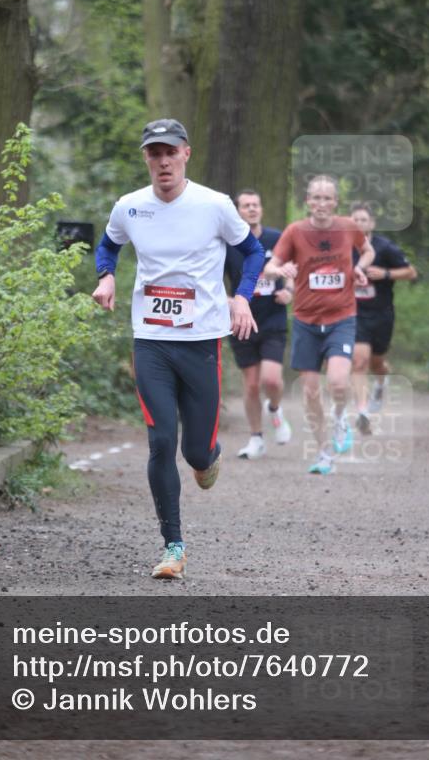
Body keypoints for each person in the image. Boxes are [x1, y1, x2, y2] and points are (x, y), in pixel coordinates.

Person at [92, 119, 263, 579]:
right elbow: (106, 247)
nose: (162, 161)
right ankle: (173, 546)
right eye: (154, 153)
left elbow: (254, 253)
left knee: (196, 453)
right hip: (150, 340)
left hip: (201, 340)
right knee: (160, 439)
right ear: (146, 158)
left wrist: (242, 296)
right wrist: (105, 275)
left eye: (170, 152)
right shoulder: (129, 208)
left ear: (186, 153)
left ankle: (209, 456)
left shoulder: (215, 205)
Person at [263, 175, 375, 475]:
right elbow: (270, 266)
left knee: (338, 382)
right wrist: (280, 268)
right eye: (316, 197)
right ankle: (324, 453)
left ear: (336, 202)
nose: (322, 203)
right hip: (306, 321)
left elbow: (368, 251)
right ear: (307, 201)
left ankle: (340, 417)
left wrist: (360, 270)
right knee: (311, 392)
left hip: (342, 318)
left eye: (327, 198)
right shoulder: (295, 231)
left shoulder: (348, 227)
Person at [224, 190, 293, 459]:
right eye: (246, 205)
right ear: (238, 211)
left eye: (256, 204)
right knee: (252, 384)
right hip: (241, 320)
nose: (252, 209)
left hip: (273, 316)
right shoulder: (229, 244)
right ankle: (256, 438)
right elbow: (215, 279)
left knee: (272, 379)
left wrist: (289, 291)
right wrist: (228, 300)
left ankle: (275, 409)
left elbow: (292, 270)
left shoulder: (277, 239)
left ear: (261, 209)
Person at [349, 203, 418, 434]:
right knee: (359, 361)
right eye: (354, 220)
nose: (359, 224)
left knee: (377, 363)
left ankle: (381, 382)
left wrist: (386, 274)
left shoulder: (385, 248)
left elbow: (411, 272)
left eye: (363, 220)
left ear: (371, 223)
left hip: (381, 314)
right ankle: (363, 411)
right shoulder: (344, 248)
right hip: (355, 314)